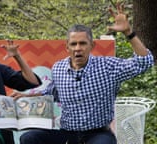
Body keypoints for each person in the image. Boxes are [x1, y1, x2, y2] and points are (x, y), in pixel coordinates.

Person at [11, 3, 154, 144]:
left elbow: (144, 62)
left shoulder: (108, 66)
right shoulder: (59, 68)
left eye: (82, 43)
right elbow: (53, 92)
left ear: (92, 46)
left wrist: (128, 33)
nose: (77, 48)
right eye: (73, 44)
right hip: (68, 133)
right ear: (67, 47)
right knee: (29, 138)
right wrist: (26, 95)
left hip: (98, 133)